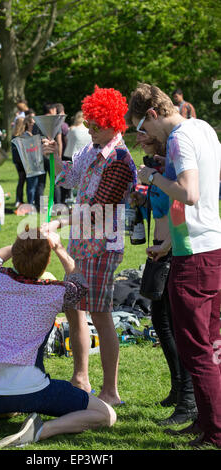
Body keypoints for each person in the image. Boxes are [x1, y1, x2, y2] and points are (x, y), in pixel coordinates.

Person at [127, 83, 221, 448]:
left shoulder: (181, 137)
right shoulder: (205, 129)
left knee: (196, 348)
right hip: (209, 247)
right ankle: (207, 422)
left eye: (142, 128)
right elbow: (207, 196)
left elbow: (190, 193)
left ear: (152, 114)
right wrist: (170, 240)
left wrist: (152, 177)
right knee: (212, 345)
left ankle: (213, 431)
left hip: (195, 259)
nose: (143, 136)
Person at [0, 226, 116, 448]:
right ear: (47, 263)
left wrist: (21, 246)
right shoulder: (55, 292)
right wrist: (57, 246)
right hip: (31, 390)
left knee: (9, 400)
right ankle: (42, 429)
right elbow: (80, 282)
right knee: (106, 415)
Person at [42, 85, 137, 406]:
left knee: (101, 313)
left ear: (115, 123)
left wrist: (58, 222)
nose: (92, 130)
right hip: (82, 242)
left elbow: (97, 208)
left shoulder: (121, 160)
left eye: (98, 125)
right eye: (91, 124)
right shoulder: (90, 151)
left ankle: (110, 390)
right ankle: (80, 378)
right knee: (73, 306)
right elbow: (68, 179)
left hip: (103, 247)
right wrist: (55, 156)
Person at [131, 132, 197, 426]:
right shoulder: (155, 170)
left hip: (170, 250)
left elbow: (180, 209)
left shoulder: (170, 171)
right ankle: (177, 388)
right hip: (157, 251)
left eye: (144, 139)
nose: (140, 144)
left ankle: (188, 399)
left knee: (173, 325)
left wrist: (166, 246)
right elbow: (159, 205)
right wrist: (142, 196)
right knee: (160, 322)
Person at [32, 103, 63, 208]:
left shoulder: (37, 122)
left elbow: (34, 140)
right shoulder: (55, 121)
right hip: (51, 155)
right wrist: (59, 156)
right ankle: (57, 204)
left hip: (40, 155)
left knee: (41, 182)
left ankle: (39, 206)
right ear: (52, 110)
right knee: (55, 181)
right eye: (55, 110)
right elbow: (59, 141)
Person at [11, 115, 39, 209]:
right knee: (27, 181)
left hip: (17, 161)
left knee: (21, 180)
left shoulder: (14, 135)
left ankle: (19, 200)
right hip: (23, 161)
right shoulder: (24, 135)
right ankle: (27, 200)